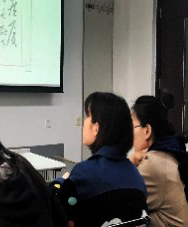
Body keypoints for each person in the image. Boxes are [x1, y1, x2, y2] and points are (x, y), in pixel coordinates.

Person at [53, 92, 147, 227]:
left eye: (87, 116)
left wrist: (61, 182)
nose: (84, 122)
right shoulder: (136, 176)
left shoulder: (82, 174)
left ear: (96, 128)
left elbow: (57, 212)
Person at [131, 95, 188, 227]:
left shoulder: (153, 163)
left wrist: (130, 162)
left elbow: (119, 202)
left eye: (132, 127)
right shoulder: (171, 151)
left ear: (147, 131)